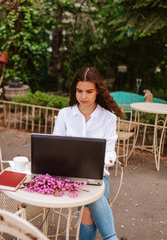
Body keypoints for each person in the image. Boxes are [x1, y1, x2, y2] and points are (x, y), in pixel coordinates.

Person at [53, 67, 124, 240]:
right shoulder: (65, 114)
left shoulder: (108, 118)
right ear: (74, 91)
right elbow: (54, 148)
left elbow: (110, 154)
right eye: (79, 91)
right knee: (91, 206)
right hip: (69, 178)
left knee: (87, 210)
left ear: (97, 91)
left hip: (97, 178)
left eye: (89, 91)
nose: (83, 96)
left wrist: (102, 161)